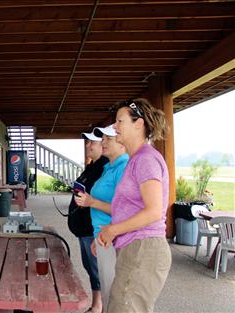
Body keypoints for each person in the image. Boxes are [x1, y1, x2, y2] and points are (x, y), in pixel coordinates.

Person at [99, 98, 172, 313]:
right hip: (134, 247)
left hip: (144, 249)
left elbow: (153, 211)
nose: (114, 127)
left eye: (120, 121)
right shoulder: (136, 159)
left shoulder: (146, 159)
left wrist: (113, 230)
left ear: (138, 124)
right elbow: (128, 207)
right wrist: (106, 235)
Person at [75, 124, 129, 312]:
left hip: (112, 238)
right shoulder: (108, 167)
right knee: (107, 292)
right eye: (102, 138)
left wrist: (92, 202)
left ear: (122, 143)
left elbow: (126, 211)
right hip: (100, 236)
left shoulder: (123, 167)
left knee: (115, 294)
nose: (102, 142)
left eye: (107, 139)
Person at [68, 131, 108, 313]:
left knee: (98, 270)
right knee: (90, 268)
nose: (87, 146)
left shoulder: (105, 168)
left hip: (93, 230)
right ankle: (97, 304)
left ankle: (100, 306)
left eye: (91, 142)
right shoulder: (92, 167)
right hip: (83, 229)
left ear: (103, 145)